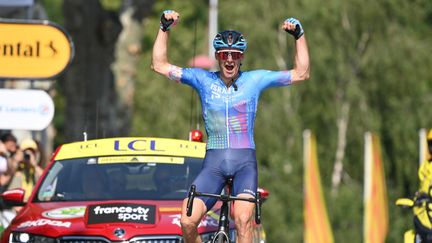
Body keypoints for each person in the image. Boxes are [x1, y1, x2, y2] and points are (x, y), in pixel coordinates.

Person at [152, 10, 309, 243]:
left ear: (241, 57)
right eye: (224, 54)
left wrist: (299, 36)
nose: (229, 59)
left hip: (244, 164)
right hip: (213, 166)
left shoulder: (254, 80)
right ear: (217, 55)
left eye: (234, 55)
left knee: (244, 220)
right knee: (187, 221)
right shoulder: (202, 80)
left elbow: (301, 73)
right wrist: (164, 29)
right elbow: (159, 65)